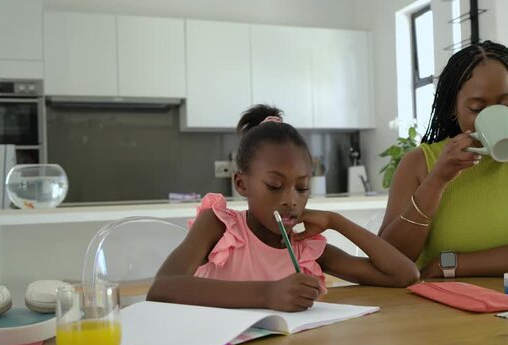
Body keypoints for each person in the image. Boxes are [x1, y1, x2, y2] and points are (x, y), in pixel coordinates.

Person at [148, 105, 419, 312]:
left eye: (302, 188)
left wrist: (336, 221)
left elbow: (404, 275)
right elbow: (162, 287)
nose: (291, 200)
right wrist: (268, 294)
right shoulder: (219, 226)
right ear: (242, 184)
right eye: (275, 186)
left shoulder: (305, 247)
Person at [379, 41, 508, 278]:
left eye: (507, 105)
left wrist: (447, 264)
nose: (493, 116)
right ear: (453, 107)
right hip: (436, 308)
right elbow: (390, 258)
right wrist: (438, 179)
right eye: (476, 108)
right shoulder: (419, 163)